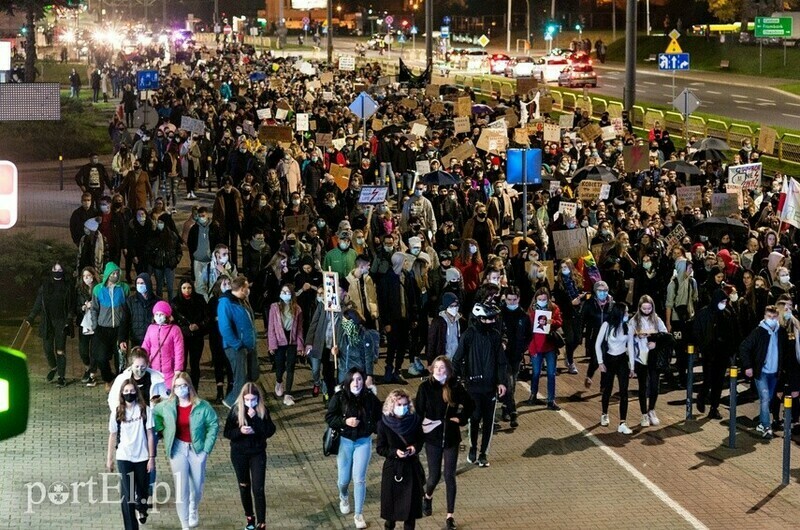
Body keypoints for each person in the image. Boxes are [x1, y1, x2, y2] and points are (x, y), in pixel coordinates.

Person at [153, 372, 219, 530]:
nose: (181, 389)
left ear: (190, 386)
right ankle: (184, 524)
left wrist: (206, 450)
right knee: (181, 488)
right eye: (177, 386)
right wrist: (163, 430)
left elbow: (213, 425)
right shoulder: (167, 406)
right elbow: (154, 413)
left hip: (197, 449)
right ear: (173, 388)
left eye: (184, 385)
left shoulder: (202, 406)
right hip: (178, 449)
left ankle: (193, 508)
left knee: (197, 487)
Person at [415, 356, 473, 530]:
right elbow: (418, 412)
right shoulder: (425, 387)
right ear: (432, 369)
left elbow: (470, 405)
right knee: (434, 477)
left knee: (450, 476)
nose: (440, 371)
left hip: (451, 437)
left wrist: (461, 418)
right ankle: (428, 496)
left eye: (443, 368)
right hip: (432, 437)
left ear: (448, 370)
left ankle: (450, 516)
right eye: (437, 367)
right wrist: (418, 433)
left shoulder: (455, 387)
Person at [325, 367, 382, 530]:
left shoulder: (370, 398)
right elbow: (329, 417)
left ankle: (358, 514)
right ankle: (343, 495)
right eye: (353, 379)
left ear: (364, 381)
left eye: (359, 379)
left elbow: (379, 418)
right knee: (343, 480)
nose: (356, 383)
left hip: (363, 442)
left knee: (359, 479)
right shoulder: (339, 397)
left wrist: (379, 430)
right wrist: (345, 422)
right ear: (348, 381)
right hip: (345, 442)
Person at [453, 302, 508, 467]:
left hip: (490, 387)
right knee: (474, 418)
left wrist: (501, 382)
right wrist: (461, 378)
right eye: (487, 319)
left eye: (493, 319)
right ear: (479, 318)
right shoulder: (468, 335)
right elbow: (457, 359)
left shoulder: (495, 336)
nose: (491, 322)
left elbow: (501, 362)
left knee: (489, 421)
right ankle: (473, 447)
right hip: (473, 387)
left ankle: (484, 453)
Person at [223, 382, 277, 530]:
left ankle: (262, 522)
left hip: (257, 453)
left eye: (253, 399)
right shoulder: (236, 410)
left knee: (258, 488)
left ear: (258, 399)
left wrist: (257, 421)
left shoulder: (262, 411)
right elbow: (227, 433)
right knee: (244, 486)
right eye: (247, 400)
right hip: (239, 453)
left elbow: (270, 431)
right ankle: (250, 518)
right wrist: (241, 431)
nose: (250, 403)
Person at [740, 305, 797, 439]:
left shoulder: (781, 333)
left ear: (777, 317)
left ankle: (761, 422)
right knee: (765, 399)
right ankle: (766, 427)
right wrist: (748, 366)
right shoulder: (759, 332)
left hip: (774, 373)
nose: (771, 319)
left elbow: (787, 353)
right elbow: (744, 347)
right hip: (762, 373)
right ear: (764, 317)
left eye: (773, 317)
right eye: (768, 317)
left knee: (769, 399)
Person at [106, 380, 155, 530]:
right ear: (121, 393)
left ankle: (142, 508)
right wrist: (109, 459)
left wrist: (151, 458)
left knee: (142, 491)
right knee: (127, 495)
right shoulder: (117, 412)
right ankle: (131, 527)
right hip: (124, 457)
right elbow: (112, 435)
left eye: (132, 391)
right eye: (126, 391)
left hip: (142, 457)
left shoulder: (144, 410)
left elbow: (150, 434)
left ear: (137, 392)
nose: (129, 394)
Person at [376, 389, 425, 530]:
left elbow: (420, 440)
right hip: (393, 469)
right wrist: (395, 452)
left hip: (411, 468)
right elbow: (380, 448)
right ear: (391, 405)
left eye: (405, 404)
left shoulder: (415, 421)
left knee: (410, 513)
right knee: (391, 512)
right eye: (399, 404)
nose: (402, 408)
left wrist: (415, 448)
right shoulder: (383, 424)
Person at [25, 262, 74, 387]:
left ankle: (61, 377)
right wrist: (30, 318)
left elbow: (71, 305)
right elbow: (38, 304)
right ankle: (54, 367)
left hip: (61, 322)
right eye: (55, 269)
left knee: (60, 350)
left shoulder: (68, 286)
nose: (57, 271)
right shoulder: (45, 286)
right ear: (51, 270)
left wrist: (69, 319)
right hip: (47, 322)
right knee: (47, 349)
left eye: (60, 269)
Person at [693, 290, 739, 420]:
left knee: (718, 382)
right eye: (722, 302)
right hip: (709, 353)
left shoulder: (727, 314)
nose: (724, 304)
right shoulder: (704, 313)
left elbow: (732, 333)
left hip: (722, 353)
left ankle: (714, 408)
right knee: (708, 379)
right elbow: (697, 331)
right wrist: (702, 347)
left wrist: (731, 350)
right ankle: (702, 396)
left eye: (726, 302)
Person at [218, 276, 258, 409]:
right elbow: (225, 327)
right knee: (240, 377)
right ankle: (232, 402)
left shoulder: (242, 301)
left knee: (252, 374)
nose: (248, 290)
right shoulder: (226, 302)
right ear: (242, 289)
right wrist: (237, 344)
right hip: (235, 347)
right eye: (247, 288)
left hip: (248, 345)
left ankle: (246, 401)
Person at [628, 295, 669, 428]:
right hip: (640, 358)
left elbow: (665, 336)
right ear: (639, 308)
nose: (647, 310)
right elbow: (628, 340)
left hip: (654, 358)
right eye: (644, 308)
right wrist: (636, 336)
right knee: (643, 386)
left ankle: (652, 410)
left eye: (649, 308)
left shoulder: (656, 319)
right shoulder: (634, 321)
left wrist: (655, 343)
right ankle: (644, 413)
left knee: (654, 385)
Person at [595, 303, 634, 434]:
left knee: (624, 391)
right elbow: (597, 344)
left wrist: (632, 366)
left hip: (622, 360)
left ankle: (623, 422)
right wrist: (600, 362)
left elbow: (631, 347)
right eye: (626, 313)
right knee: (608, 389)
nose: (627, 315)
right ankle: (604, 413)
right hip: (609, 360)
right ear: (619, 313)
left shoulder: (628, 327)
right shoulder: (607, 325)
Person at [91, 262, 130, 391]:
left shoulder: (124, 288)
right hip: (103, 328)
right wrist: (95, 324)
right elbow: (94, 309)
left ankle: (120, 383)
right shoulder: (98, 290)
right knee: (101, 357)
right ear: (107, 275)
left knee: (120, 359)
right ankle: (108, 378)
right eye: (112, 273)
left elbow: (127, 309)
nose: (115, 275)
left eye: (117, 273)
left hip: (119, 329)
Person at [266, 284, 305, 406]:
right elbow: (271, 327)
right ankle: (278, 381)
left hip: (292, 339)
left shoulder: (297, 309)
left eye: (287, 292)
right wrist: (271, 344)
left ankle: (288, 394)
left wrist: (300, 346)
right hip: (279, 339)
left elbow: (299, 329)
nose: (285, 294)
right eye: (283, 291)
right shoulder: (275, 307)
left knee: (291, 366)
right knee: (279, 364)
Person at [527, 288, 563, 410]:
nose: (542, 301)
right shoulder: (531, 310)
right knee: (536, 373)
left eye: (544, 299)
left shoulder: (553, 308)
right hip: (536, 345)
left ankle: (551, 399)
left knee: (551, 373)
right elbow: (528, 327)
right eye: (540, 299)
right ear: (535, 299)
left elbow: (559, 322)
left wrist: (552, 321)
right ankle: (533, 394)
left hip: (549, 346)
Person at [500, 287, 531, 427]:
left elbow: (529, 336)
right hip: (504, 355)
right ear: (505, 299)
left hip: (516, 355)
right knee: (509, 382)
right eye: (509, 300)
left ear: (518, 299)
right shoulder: (500, 315)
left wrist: (523, 349)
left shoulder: (523, 316)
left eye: (514, 300)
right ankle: (513, 412)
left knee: (512, 384)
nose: (511, 302)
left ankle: (506, 407)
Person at [171, 280, 209, 391]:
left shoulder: (199, 300)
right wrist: (185, 329)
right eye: (184, 288)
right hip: (182, 338)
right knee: (181, 364)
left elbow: (206, 317)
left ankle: (194, 388)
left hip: (197, 337)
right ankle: (181, 387)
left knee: (195, 364)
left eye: (189, 288)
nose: (187, 290)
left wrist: (198, 325)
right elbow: (173, 323)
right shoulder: (175, 302)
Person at [141, 301, 185, 392]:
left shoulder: (175, 330)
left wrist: (178, 369)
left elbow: (179, 351)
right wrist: (142, 359)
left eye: (161, 314)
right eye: (156, 314)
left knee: (168, 394)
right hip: (153, 370)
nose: (158, 317)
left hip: (170, 370)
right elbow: (146, 346)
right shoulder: (151, 328)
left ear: (167, 315)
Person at [107, 347, 168, 411]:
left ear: (147, 364)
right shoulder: (121, 379)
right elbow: (113, 400)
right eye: (137, 366)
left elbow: (165, 401)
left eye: (142, 366)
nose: (139, 369)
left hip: (151, 417)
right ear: (131, 365)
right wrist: (120, 414)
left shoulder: (158, 380)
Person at [76, 266, 100, 386]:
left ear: (93, 276)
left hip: (96, 323)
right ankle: (87, 367)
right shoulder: (79, 290)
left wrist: (93, 305)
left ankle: (92, 373)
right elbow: (75, 307)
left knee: (94, 350)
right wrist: (82, 307)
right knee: (83, 350)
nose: (87, 278)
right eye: (84, 276)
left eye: (89, 276)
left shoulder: (99, 289)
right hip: (84, 324)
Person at [427, 292, 463, 364]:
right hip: (443, 360)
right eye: (451, 306)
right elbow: (432, 342)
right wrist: (430, 362)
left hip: (456, 360)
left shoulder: (460, 321)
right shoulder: (438, 322)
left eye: (456, 306)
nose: (455, 308)